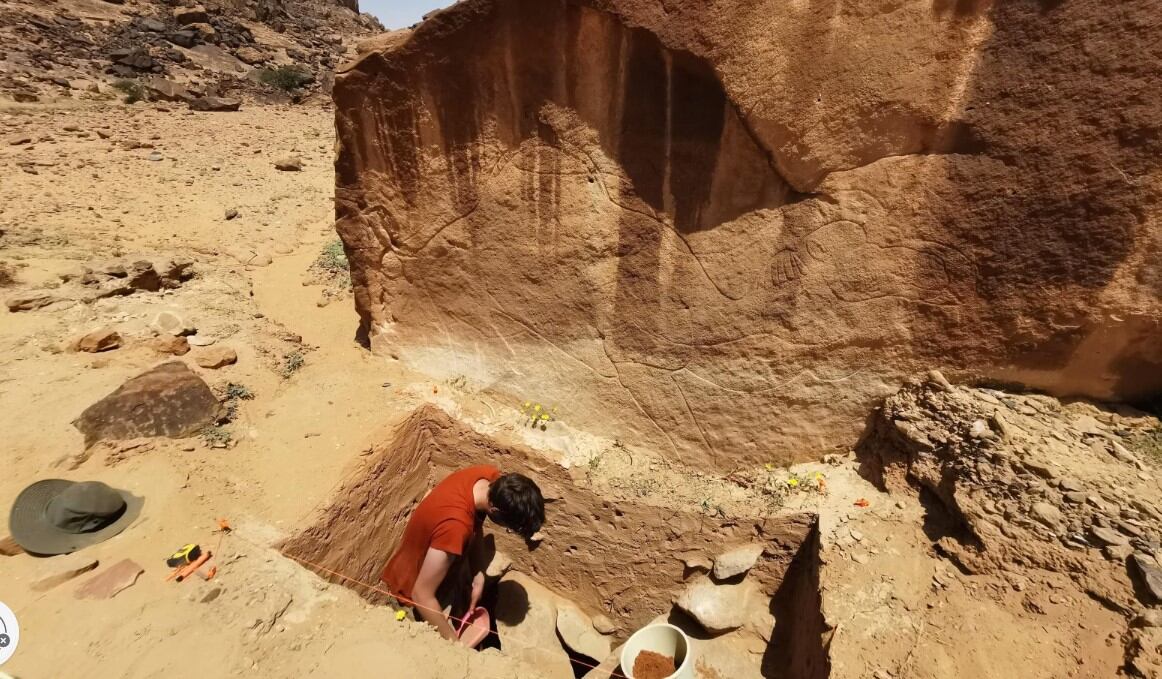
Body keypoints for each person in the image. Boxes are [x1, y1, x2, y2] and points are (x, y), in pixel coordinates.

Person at [381, 464, 544, 644]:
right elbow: (422, 595)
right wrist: (456, 647)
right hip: (412, 590)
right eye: (508, 529)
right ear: (494, 510)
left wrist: (478, 574)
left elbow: (476, 525)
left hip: (439, 566)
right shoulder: (455, 528)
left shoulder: (488, 477)